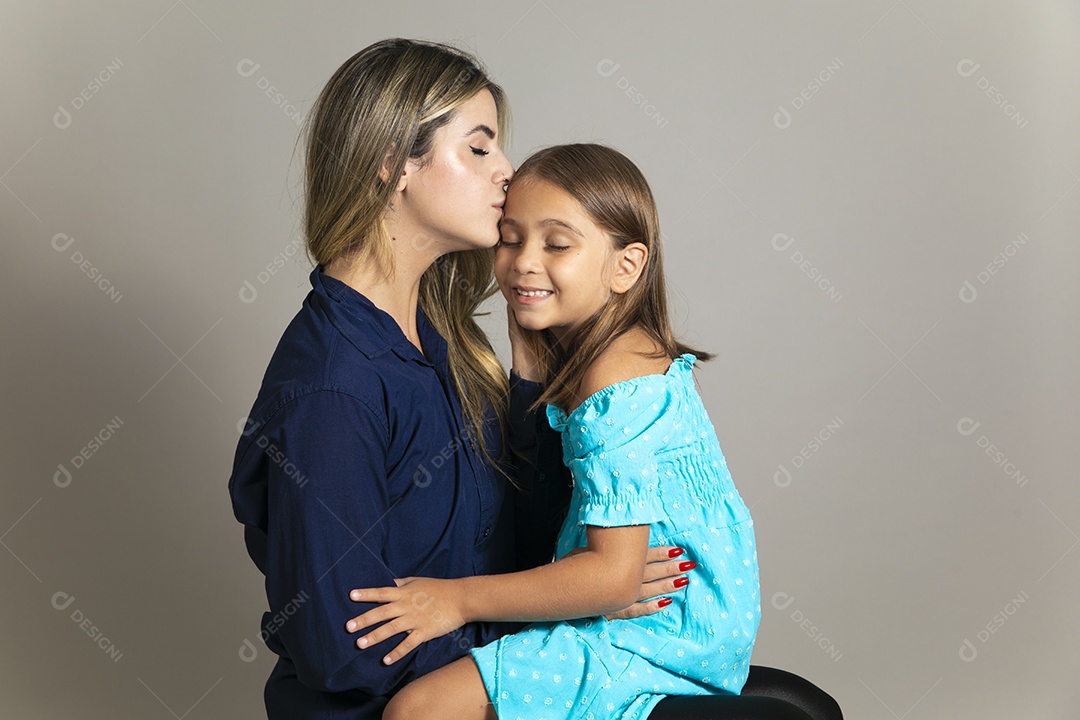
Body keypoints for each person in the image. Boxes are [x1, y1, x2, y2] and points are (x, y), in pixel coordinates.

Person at [228, 40, 690, 720]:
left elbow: (520, 544)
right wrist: (556, 628)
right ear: (393, 163)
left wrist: (531, 382)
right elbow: (344, 651)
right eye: (478, 148)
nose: (507, 171)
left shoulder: (442, 342)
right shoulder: (332, 390)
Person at [344, 144, 762, 720]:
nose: (523, 262)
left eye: (557, 244)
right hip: (696, 622)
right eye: (510, 239)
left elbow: (613, 577)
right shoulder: (618, 353)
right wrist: (529, 362)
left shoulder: (614, 380)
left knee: (418, 710)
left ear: (626, 266)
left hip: (657, 629)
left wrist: (454, 599)